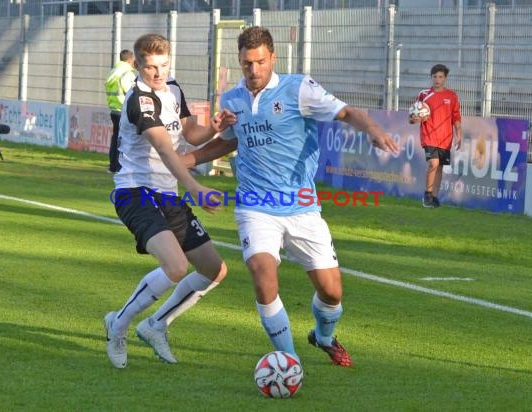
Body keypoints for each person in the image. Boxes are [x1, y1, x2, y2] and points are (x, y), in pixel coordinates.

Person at [182, 26, 399, 367]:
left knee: (332, 292)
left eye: (260, 62)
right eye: (246, 63)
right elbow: (231, 140)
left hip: (302, 207)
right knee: (261, 271)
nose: (253, 70)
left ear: (273, 58)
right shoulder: (231, 99)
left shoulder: (298, 89)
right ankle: (289, 361)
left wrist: (372, 129)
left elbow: (346, 112)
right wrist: (186, 161)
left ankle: (323, 337)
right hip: (255, 205)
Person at [104, 33, 235, 368]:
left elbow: (190, 135)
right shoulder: (139, 99)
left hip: (166, 195)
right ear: (138, 65)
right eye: (150, 67)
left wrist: (215, 127)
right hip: (135, 192)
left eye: (163, 65)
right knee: (176, 267)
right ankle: (118, 326)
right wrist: (195, 187)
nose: (158, 73)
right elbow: (164, 148)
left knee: (214, 270)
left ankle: (156, 325)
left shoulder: (173, 88)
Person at [409, 64, 462, 208]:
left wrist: (459, 135)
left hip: (445, 138)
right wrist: (414, 119)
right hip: (429, 136)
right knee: (433, 163)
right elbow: (413, 116)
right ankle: (427, 193)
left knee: (439, 167)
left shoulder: (452, 96)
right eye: (435, 77)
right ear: (431, 77)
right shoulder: (424, 95)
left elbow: (456, 117)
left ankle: (434, 197)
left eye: (440, 77)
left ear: (445, 78)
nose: (437, 79)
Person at [105, 49, 137, 173]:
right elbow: (131, 92)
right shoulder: (127, 73)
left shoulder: (113, 72)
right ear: (130, 60)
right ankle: (120, 166)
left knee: (116, 138)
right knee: (125, 139)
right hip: (124, 109)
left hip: (114, 109)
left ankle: (113, 166)